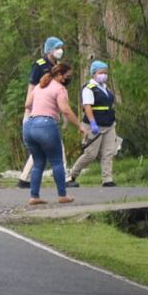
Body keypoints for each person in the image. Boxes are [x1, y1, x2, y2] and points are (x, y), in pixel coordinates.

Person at [23, 63, 87, 205]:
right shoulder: (60, 89)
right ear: (59, 76)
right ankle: (62, 195)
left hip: (29, 125)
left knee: (38, 162)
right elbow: (65, 110)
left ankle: (34, 196)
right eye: (67, 76)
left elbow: (27, 104)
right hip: (46, 125)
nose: (68, 79)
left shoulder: (40, 86)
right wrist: (79, 125)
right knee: (57, 161)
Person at [19, 36, 66, 188]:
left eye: (61, 48)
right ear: (50, 50)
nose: (60, 51)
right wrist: (29, 105)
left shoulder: (58, 66)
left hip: (50, 108)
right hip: (36, 109)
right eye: (57, 48)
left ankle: (24, 178)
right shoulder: (39, 65)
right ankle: (66, 179)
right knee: (51, 144)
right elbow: (32, 86)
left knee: (40, 147)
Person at [67, 60, 118, 187]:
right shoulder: (89, 88)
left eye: (105, 73)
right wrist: (93, 123)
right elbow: (87, 106)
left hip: (109, 124)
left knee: (108, 152)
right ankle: (71, 175)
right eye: (101, 73)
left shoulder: (106, 88)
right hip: (94, 125)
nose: (104, 75)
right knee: (91, 154)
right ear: (93, 74)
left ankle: (107, 179)